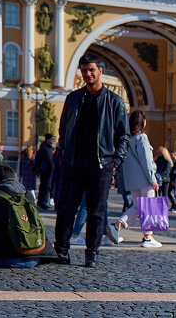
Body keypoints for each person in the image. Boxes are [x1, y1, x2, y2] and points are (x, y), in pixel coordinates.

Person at [53, 52, 130, 268]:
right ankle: (61, 250)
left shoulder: (114, 102)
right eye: (84, 70)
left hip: (101, 164)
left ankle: (92, 252)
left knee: (97, 211)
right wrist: (63, 153)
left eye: (91, 70)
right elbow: (63, 130)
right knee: (67, 208)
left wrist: (115, 162)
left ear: (100, 71)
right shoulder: (73, 99)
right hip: (73, 162)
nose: (87, 74)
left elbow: (124, 136)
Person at [106, 110, 163, 249]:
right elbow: (146, 161)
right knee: (149, 207)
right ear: (143, 123)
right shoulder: (141, 138)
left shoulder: (127, 138)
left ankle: (116, 225)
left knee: (137, 207)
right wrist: (152, 178)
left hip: (132, 180)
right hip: (145, 179)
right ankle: (147, 238)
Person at [34, 134, 56, 209]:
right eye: (52, 139)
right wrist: (38, 168)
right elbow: (38, 158)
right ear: (48, 139)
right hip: (45, 171)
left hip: (50, 172)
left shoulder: (50, 148)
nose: (53, 141)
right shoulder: (44, 148)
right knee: (45, 187)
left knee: (48, 187)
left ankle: (44, 201)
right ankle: (42, 202)